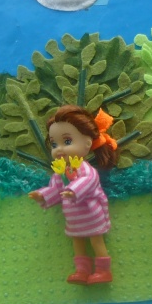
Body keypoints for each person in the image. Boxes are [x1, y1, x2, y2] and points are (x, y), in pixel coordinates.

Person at [29, 105, 117, 285]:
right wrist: (42, 195)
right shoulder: (60, 172)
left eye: (67, 141)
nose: (59, 149)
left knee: (96, 241)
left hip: (91, 214)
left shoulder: (85, 169)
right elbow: (55, 189)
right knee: (77, 241)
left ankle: (103, 271)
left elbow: (88, 181)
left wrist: (73, 190)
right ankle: (82, 271)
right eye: (54, 144)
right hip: (73, 218)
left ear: (87, 143)